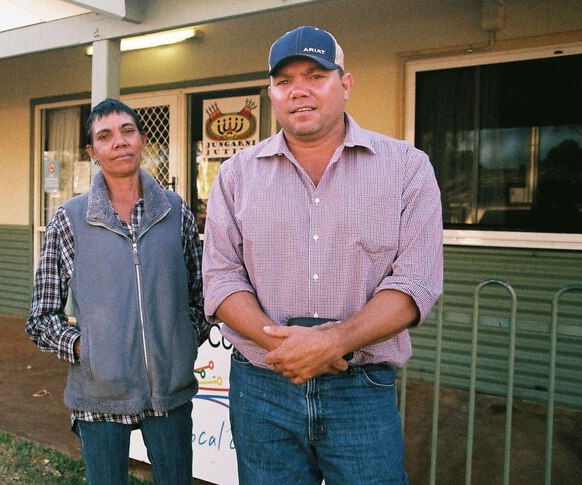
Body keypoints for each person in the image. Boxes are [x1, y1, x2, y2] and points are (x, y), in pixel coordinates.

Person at [202, 26, 443, 484]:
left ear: (345, 84)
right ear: (271, 93)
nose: (300, 91)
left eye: (315, 75)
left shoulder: (406, 168)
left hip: (360, 388)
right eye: (285, 81)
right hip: (263, 387)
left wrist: (334, 342)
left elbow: (415, 283)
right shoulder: (235, 176)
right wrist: (289, 348)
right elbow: (221, 278)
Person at [26, 98, 210, 484]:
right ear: (93, 152)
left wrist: (182, 340)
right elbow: (41, 318)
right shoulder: (70, 219)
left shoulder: (175, 212)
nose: (120, 142)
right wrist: (85, 349)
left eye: (128, 131)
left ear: (143, 139)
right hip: (99, 396)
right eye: (106, 136)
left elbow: (202, 294)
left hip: (169, 392)